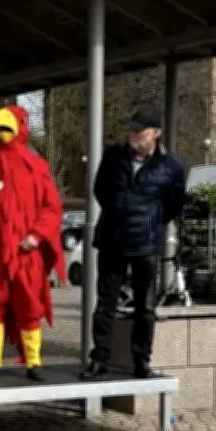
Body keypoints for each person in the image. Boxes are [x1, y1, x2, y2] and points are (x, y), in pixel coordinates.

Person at [0, 104, 65, 382]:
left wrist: (36, 235)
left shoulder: (37, 166)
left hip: (27, 254)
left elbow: (52, 207)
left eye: (11, 123)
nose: (5, 130)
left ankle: (34, 361)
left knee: (30, 304)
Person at [80, 107, 186, 381]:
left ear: (155, 134)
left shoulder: (170, 166)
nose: (133, 135)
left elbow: (174, 203)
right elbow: (100, 190)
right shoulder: (113, 157)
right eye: (131, 130)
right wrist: (119, 210)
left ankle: (141, 362)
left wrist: (150, 219)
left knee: (145, 307)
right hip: (113, 239)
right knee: (105, 304)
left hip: (146, 243)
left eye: (139, 131)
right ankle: (99, 360)